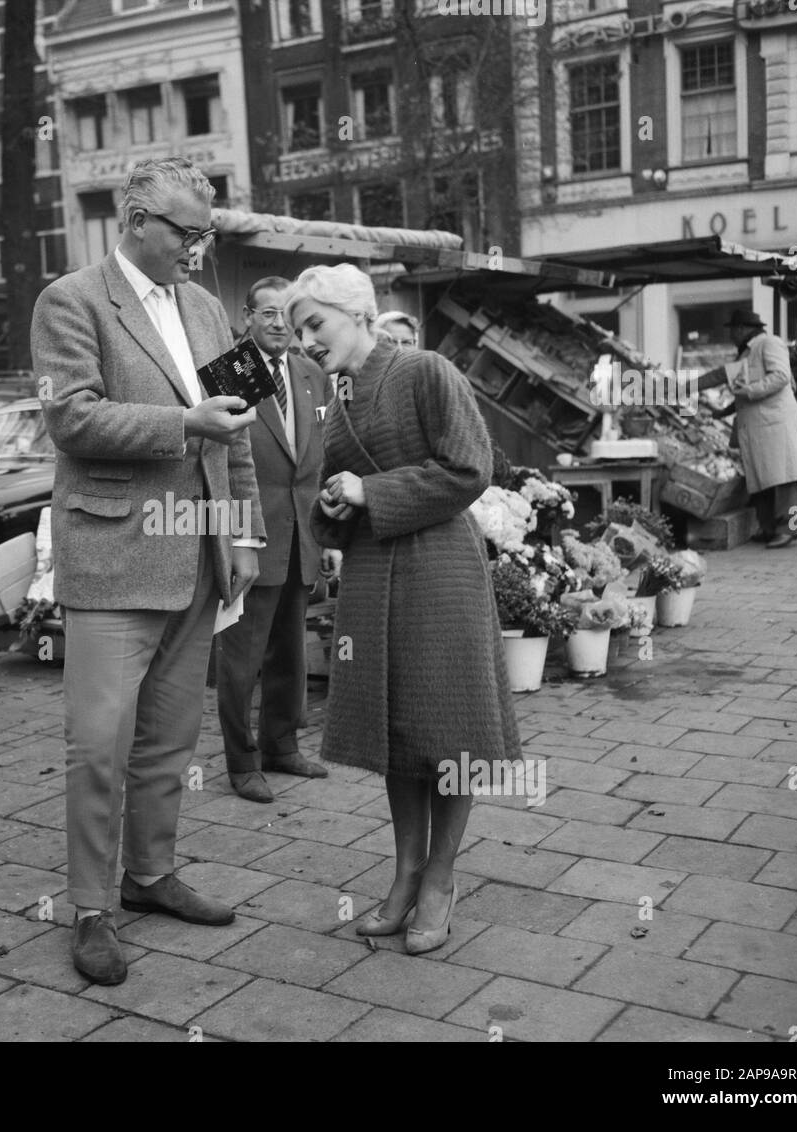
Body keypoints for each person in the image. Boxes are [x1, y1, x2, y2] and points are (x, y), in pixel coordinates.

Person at [32, 157, 266, 986]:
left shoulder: (205, 308)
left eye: (207, 233)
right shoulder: (70, 301)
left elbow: (233, 433)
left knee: (169, 741)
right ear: (134, 220)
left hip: (199, 554)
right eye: (185, 232)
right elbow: (71, 417)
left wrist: (244, 537)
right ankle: (91, 908)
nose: (200, 249)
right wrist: (182, 421)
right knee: (98, 747)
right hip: (114, 561)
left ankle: (150, 876)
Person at [286, 263, 521, 955]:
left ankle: (440, 879)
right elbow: (341, 492)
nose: (305, 339)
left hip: (438, 570)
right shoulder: (339, 399)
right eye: (298, 329)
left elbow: (470, 468)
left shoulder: (424, 372)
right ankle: (405, 875)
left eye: (315, 323)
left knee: (449, 729)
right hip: (372, 572)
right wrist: (333, 504)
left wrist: (371, 492)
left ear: (356, 312)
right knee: (397, 733)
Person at [216, 276, 332, 804]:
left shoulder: (311, 374)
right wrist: (237, 533)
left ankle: (282, 745)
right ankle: (242, 763)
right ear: (247, 317)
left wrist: (328, 530)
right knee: (242, 658)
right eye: (266, 313)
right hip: (252, 536)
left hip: (301, 533)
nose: (278, 322)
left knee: (291, 649)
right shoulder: (232, 370)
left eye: (286, 313)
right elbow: (223, 460)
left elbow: (318, 457)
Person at [698, 310, 797, 549]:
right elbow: (721, 376)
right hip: (759, 427)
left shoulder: (769, 343)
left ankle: (792, 529)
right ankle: (769, 528)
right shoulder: (747, 353)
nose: (730, 336)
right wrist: (721, 410)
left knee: (786, 480)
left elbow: (781, 376)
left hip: (775, 423)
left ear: (741, 329)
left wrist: (750, 391)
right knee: (764, 478)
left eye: (732, 331)